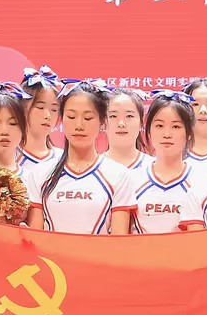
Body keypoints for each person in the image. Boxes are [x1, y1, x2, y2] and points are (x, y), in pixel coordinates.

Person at [26, 82, 136, 234]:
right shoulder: (40, 174)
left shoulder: (119, 175)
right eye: (71, 117)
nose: (79, 125)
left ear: (102, 121)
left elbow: (119, 239)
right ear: (62, 119)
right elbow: (35, 236)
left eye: (88, 118)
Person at [132, 91, 207, 234]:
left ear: (188, 133)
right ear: (148, 131)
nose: (167, 134)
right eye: (159, 126)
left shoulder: (202, 181)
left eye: (176, 127)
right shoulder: (132, 180)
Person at [16, 65, 62, 173]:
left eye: (54, 109)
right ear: (22, 108)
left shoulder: (62, 160)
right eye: (40, 107)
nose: (48, 115)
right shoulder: (8, 157)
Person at [103, 87, 153, 173]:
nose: (121, 124)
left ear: (141, 122)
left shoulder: (153, 167)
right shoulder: (92, 167)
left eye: (129, 116)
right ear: (104, 122)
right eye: (113, 116)